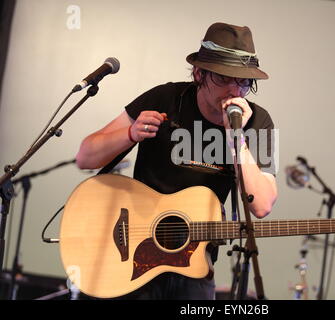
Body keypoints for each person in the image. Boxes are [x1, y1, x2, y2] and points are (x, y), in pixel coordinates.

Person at [75, 22, 278, 300]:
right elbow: (85, 156)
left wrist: (237, 139)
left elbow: (263, 205)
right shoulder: (166, 99)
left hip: (194, 267)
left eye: (243, 81)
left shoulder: (257, 121)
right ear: (199, 73)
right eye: (224, 78)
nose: (234, 90)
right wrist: (130, 134)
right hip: (132, 255)